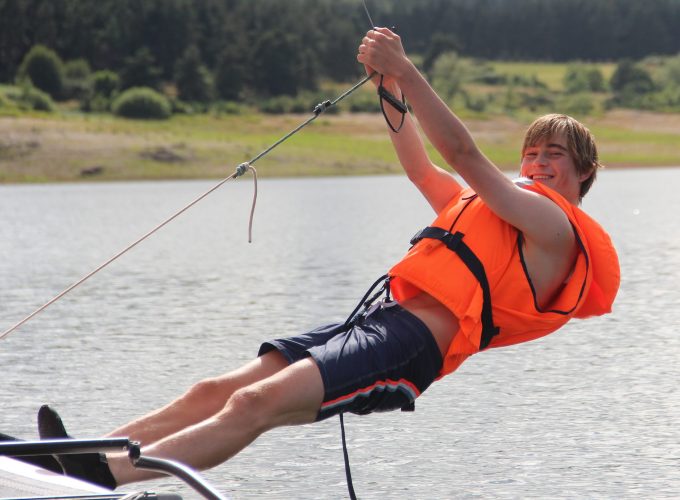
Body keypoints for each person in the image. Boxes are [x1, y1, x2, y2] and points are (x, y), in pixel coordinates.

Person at [36, 28, 619, 490]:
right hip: (375, 322)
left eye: (556, 156)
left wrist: (409, 70)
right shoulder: (489, 209)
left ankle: (100, 478)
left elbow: (464, 154)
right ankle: (81, 456)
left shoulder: (554, 229)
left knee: (254, 403)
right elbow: (422, 167)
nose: (540, 163)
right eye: (533, 152)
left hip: (409, 348)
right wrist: (389, 88)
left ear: (583, 172)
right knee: (210, 391)